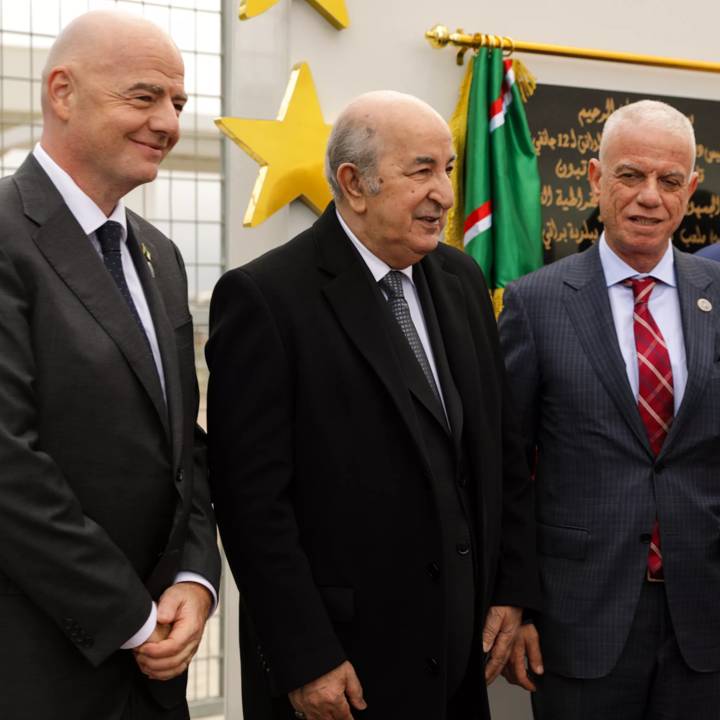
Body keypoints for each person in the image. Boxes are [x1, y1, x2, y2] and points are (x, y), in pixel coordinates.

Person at [206, 90, 539, 720]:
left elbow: (502, 448)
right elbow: (252, 508)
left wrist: (512, 589)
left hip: (460, 659)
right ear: (354, 184)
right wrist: (305, 655)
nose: (444, 191)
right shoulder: (266, 298)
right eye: (422, 171)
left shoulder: (461, 278)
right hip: (343, 669)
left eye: (448, 168)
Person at [0, 10, 220, 720]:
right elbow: (8, 464)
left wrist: (194, 574)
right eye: (145, 96)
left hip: (155, 671)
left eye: (178, 103)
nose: (169, 122)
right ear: (62, 93)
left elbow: (181, 443)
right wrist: (129, 617)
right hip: (37, 668)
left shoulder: (158, 255)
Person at [499, 99, 720, 719]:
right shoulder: (535, 303)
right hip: (580, 621)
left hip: (704, 622)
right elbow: (505, 468)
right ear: (596, 179)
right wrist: (518, 602)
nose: (650, 196)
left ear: (690, 189)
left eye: (669, 180)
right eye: (631, 175)